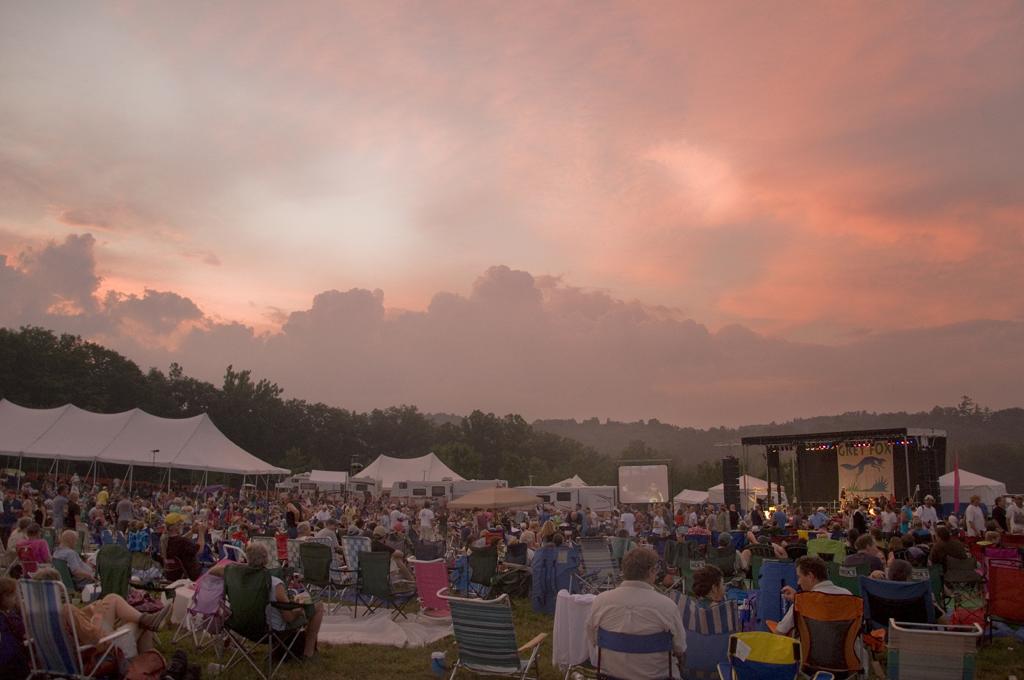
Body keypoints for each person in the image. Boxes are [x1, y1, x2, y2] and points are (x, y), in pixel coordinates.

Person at [585, 547, 686, 679]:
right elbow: (680, 648)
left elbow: (593, 639)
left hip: (611, 675)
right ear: (651, 571)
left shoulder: (600, 601)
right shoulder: (667, 606)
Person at [210, 543, 324, 659]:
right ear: (266, 560)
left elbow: (212, 570)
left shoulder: (233, 575)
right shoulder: (274, 583)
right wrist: (300, 610)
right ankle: (308, 653)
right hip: (269, 631)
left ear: (247, 558)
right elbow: (288, 618)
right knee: (318, 606)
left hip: (241, 627)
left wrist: (241, 568)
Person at [32, 567, 170, 654]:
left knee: (111, 598)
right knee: (139, 625)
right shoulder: (66, 610)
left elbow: (75, 626)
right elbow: (94, 639)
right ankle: (145, 666)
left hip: (64, 656)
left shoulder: (33, 614)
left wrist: (88, 610)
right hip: (98, 650)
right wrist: (97, 614)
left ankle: (147, 621)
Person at [775, 556, 851, 635]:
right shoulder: (848, 596)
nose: (798, 582)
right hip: (848, 647)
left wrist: (798, 600)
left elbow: (779, 632)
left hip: (814, 647)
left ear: (810, 576)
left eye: (799, 577)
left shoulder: (802, 601)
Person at [0, 577, 30, 679]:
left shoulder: (6, 615)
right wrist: (21, 607)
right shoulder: (10, 619)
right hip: (14, 666)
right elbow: (26, 632)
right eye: (15, 595)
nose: (17, 598)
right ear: (5, 596)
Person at [164, 515, 204, 581]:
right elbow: (200, 550)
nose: (182, 525)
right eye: (180, 524)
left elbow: (178, 540)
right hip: (192, 575)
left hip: (172, 575)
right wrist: (201, 532)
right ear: (175, 527)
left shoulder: (165, 540)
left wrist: (191, 531)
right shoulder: (183, 542)